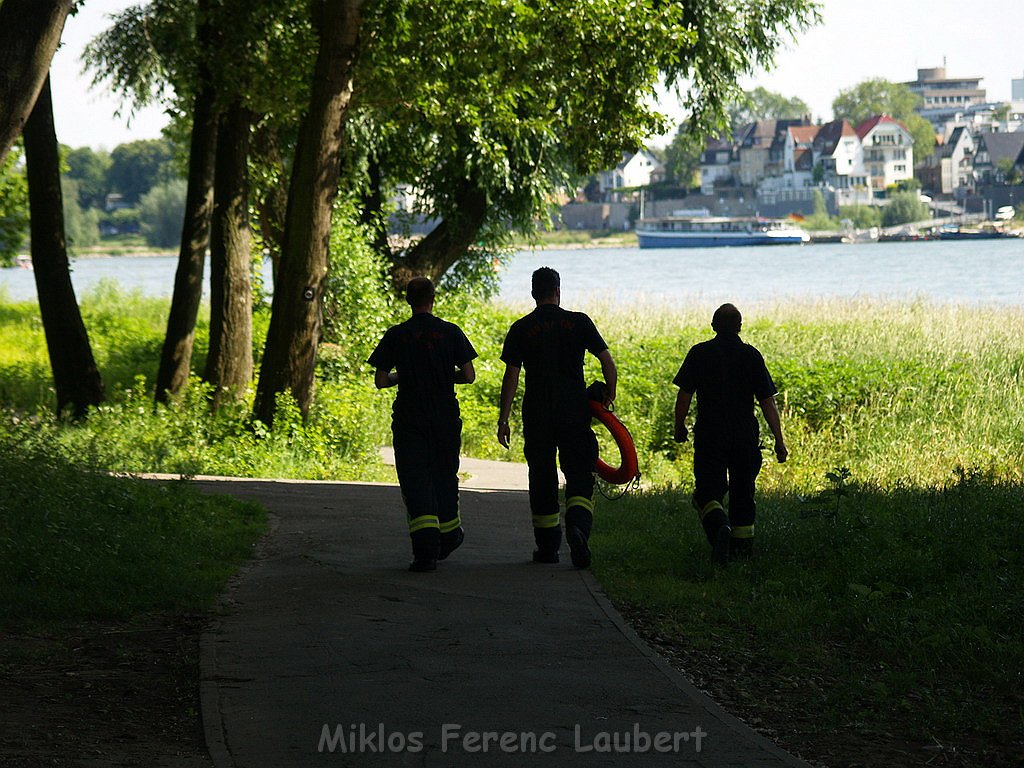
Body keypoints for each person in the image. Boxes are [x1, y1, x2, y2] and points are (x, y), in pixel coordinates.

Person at [496, 267, 617, 568]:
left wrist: (503, 418)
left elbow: (511, 376)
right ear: (558, 290)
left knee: (542, 475)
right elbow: (607, 361)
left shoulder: (521, 328)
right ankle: (578, 527)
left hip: (537, 410)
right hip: (574, 408)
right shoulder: (579, 322)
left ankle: (548, 548)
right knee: (578, 472)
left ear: (534, 293)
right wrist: (609, 394)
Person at [368, 277, 478, 572]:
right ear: (433, 298)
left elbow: (381, 380)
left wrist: (398, 377)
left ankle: (424, 552)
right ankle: (450, 534)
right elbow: (468, 375)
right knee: (444, 474)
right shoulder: (450, 332)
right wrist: (444, 376)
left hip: (409, 419)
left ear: (408, 300)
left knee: (415, 479)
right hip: (444, 417)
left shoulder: (396, 335)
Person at [673, 303, 787, 565]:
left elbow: (684, 395)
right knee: (743, 492)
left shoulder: (699, 353)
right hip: (744, 433)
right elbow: (767, 401)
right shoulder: (751, 356)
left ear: (713, 326)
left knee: (706, 492)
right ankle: (742, 552)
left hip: (710, 433)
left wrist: (679, 426)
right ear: (740, 327)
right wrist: (779, 440)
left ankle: (719, 528)